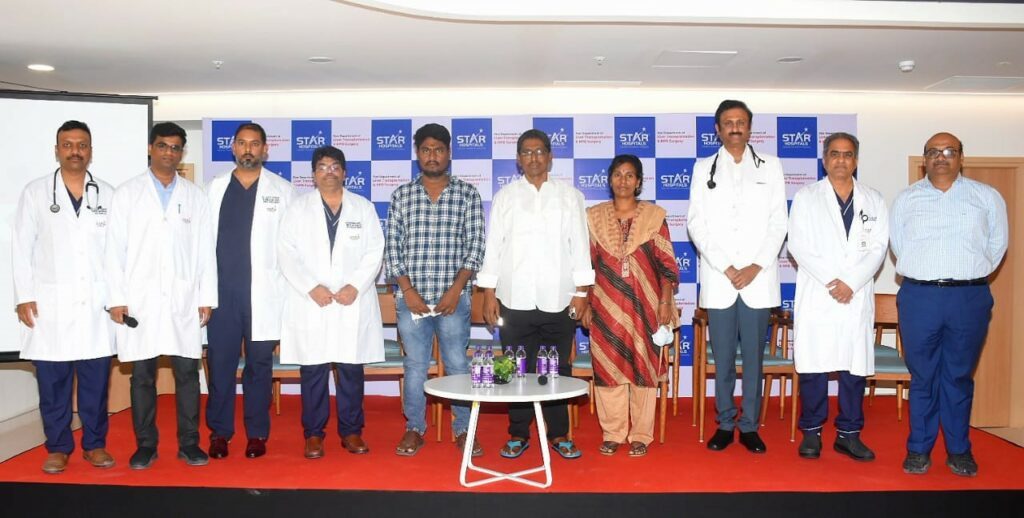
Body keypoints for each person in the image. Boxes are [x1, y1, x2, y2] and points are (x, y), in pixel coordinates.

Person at [890, 132, 1007, 477]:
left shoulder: (986, 197)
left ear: (961, 157)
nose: (941, 157)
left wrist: (968, 274)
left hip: (968, 298)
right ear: (924, 159)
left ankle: (959, 450)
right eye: (933, 152)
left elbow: (997, 246)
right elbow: (899, 245)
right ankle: (918, 449)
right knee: (923, 376)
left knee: (958, 376)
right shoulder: (907, 199)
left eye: (949, 151)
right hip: (920, 297)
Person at [105, 122, 217, 469]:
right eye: (163, 146)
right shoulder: (127, 193)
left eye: (175, 147)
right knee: (142, 376)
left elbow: (205, 251)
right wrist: (117, 298)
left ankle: (189, 443)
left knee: (188, 374)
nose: (169, 152)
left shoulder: (195, 196)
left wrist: (206, 296)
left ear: (182, 152)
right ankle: (145, 445)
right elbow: (114, 250)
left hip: (184, 300)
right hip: (140, 300)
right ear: (150, 149)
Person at [478, 129, 594, 460]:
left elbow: (579, 246)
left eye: (539, 151)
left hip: (560, 299)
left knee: (557, 368)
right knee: (516, 368)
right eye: (527, 153)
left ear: (550, 156)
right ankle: (518, 433)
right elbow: (494, 248)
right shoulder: (506, 197)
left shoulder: (570, 196)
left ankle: (558, 434)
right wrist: (489, 293)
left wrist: (582, 292)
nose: (533, 158)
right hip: (514, 298)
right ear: (518, 159)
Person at [12, 121, 116, 474]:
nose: (75, 151)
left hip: (96, 306)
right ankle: (57, 447)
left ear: (90, 151)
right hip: (50, 306)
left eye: (81, 144)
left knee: (95, 385)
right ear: (57, 150)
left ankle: (95, 444)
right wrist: (24, 296)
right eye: (67, 144)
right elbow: (21, 247)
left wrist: (118, 297)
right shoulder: (36, 192)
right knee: (53, 384)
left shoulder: (107, 194)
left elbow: (117, 253)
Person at [687, 100, 787, 454]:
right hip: (721, 279)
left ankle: (750, 426)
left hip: (758, 280)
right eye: (728, 122)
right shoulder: (703, 168)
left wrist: (755, 266)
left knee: (754, 361)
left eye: (741, 121)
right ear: (718, 129)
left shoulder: (771, 166)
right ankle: (726, 423)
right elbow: (696, 224)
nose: (735, 127)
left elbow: (779, 222)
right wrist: (727, 267)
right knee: (724, 359)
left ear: (750, 127)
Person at [277, 145, 385, 460]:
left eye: (335, 166)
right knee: (313, 369)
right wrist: (311, 287)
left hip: (352, 301)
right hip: (312, 302)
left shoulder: (363, 208)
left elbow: (374, 251)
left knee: (351, 369)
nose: (329, 172)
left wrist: (355, 286)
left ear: (345, 172)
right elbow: (286, 253)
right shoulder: (297, 209)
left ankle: (351, 431)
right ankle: (313, 434)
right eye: (322, 167)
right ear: (313, 175)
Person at [385, 123, 485, 457]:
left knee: (457, 364)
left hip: (453, 300)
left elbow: (475, 247)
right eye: (426, 149)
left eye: (438, 149)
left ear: (449, 153)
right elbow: (393, 249)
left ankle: (463, 429)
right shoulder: (402, 195)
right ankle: (414, 428)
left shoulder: (467, 194)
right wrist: (408, 291)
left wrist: (456, 290)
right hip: (411, 299)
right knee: (415, 366)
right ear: (417, 154)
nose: (432, 156)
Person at [788, 132, 889, 462]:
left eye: (847, 154)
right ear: (824, 159)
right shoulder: (806, 197)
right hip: (820, 293)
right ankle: (812, 431)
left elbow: (878, 248)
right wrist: (835, 282)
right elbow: (798, 245)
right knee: (814, 367)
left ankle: (849, 434)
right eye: (835, 154)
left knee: (853, 369)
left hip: (855, 296)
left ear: (856, 160)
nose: (841, 160)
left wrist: (852, 283)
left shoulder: (874, 199)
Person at [205, 123, 295, 459]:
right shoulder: (212, 189)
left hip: (265, 296)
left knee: (259, 367)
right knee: (221, 365)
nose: (248, 149)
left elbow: (292, 249)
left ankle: (257, 433)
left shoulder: (284, 192)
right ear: (233, 148)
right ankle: (220, 432)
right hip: (221, 295)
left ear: (265, 150)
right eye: (242, 143)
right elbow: (200, 245)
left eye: (254, 144)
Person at [581, 154, 678, 458]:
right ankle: (613, 433)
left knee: (644, 369)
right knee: (608, 367)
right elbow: (584, 265)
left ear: (638, 182)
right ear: (609, 179)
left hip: (645, 305)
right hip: (605, 303)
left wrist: (664, 301)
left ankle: (641, 435)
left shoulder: (654, 217)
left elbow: (667, 265)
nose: (623, 181)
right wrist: (585, 302)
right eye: (617, 175)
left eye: (629, 175)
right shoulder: (593, 218)